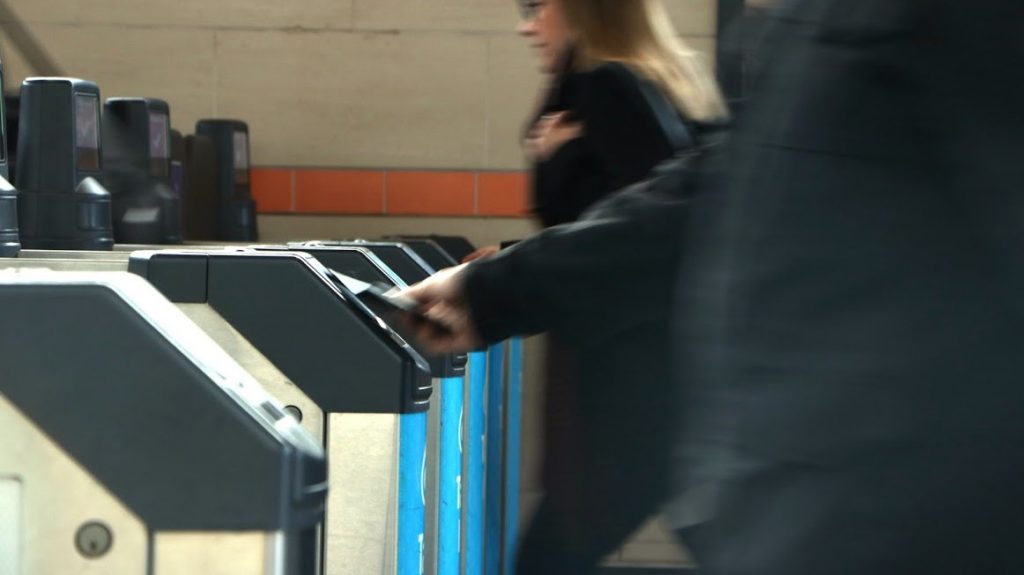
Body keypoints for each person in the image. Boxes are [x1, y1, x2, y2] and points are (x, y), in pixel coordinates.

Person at [402, 0, 1024, 573]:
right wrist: (494, 288)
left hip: (891, 503)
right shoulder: (834, 23)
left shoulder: (948, 21)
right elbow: (713, 196)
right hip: (806, 491)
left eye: (536, 7)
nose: (526, 24)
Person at [467, 1, 726, 572]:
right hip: (661, 374)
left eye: (538, 7)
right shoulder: (650, 79)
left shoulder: (605, 87)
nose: (525, 25)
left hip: (626, 381)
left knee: (550, 557)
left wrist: (551, 162)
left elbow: (638, 234)